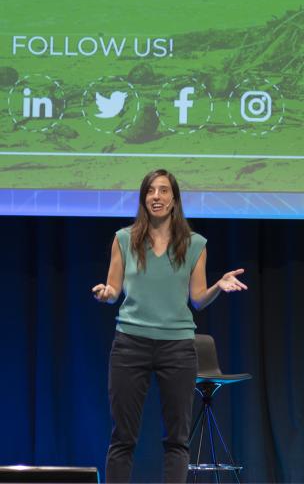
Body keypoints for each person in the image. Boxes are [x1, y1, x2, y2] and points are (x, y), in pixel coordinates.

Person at [92, 169, 248, 483]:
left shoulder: (194, 244)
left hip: (177, 348)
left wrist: (218, 285)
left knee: (177, 440)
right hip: (130, 343)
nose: (157, 197)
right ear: (143, 198)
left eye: (164, 191)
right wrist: (105, 294)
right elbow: (113, 292)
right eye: (151, 191)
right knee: (123, 437)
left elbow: (198, 300)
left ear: (174, 199)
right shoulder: (124, 239)